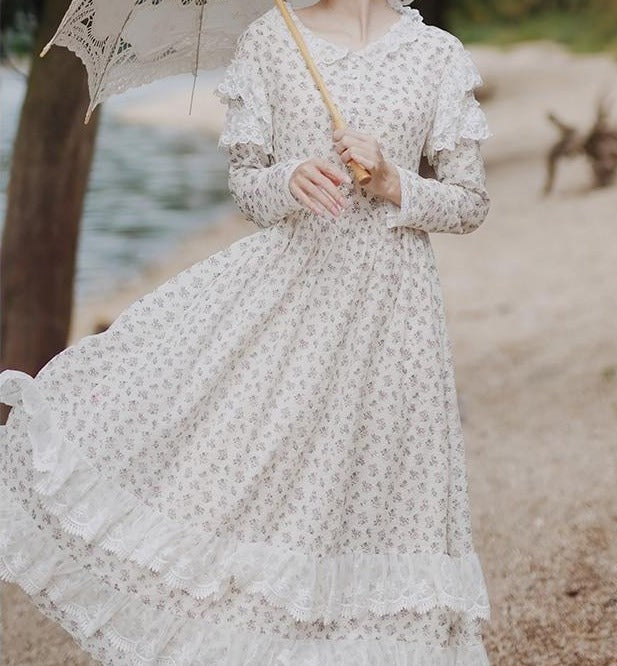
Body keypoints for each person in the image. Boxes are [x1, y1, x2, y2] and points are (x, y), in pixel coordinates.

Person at [0, 0, 493, 662]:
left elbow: (470, 204)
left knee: (383, 501)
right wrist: (288, 178)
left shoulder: (436, 55)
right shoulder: (271, 39)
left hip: (396, 322)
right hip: (294, 304)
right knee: (280, 495)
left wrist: (391, 181)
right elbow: (248, 188)